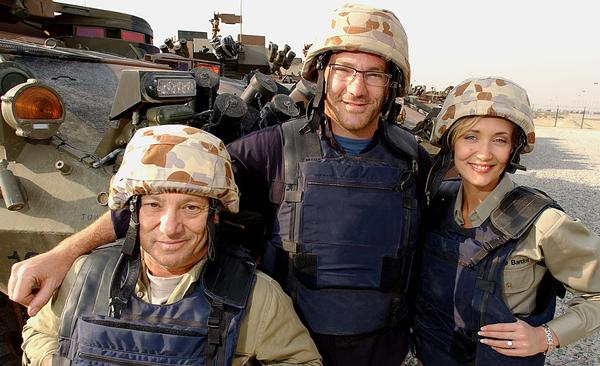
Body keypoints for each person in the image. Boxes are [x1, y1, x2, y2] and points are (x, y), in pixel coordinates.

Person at [10, 4, 432, 366]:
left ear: (393, 83)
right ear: (322, 73)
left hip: (383, 351)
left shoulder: (415, 160)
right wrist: (64, 254)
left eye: (373, 74)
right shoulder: (271, 150)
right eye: (344, 70)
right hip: (279, 344)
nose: (356, 88)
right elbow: (163, 195)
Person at [20, 125, 322, 366]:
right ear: (133, 212)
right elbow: (39, 332)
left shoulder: (255, 296)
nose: (170, 227)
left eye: (191, 207)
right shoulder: (86, 275)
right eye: (153, 205)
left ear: (215, 217)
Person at [412, 77, 600, 365]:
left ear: (514, 149)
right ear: (452, 142)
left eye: (499, 140)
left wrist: (546, 336)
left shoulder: (542, 222)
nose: (484, 153)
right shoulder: (437, 201)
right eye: (471, 137)